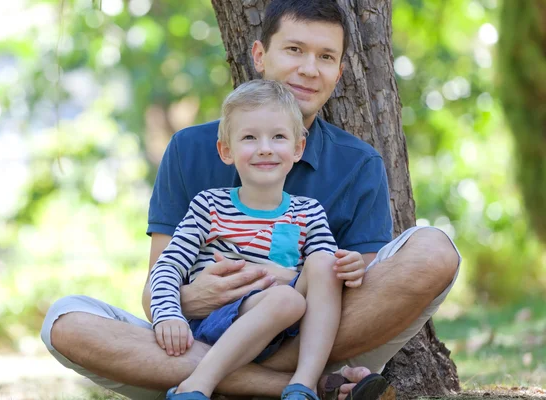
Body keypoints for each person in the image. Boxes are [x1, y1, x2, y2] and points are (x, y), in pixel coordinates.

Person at [40, 1, 461, 399]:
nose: (309, 69)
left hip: (305, 334)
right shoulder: (190, 149)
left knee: (434, 250)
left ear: (339, 71)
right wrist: (194, 298)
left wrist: (336, 272)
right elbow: (157, 288)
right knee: (65, 321)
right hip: (202, 332)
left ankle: (227, 381)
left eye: (326, 57)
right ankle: (299, 387)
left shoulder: (359, 164)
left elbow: (361, 299)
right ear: (260, 55)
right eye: (294, 50)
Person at [151, 79, 347, 400]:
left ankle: (303, 384)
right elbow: (167, 267)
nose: (265, 147)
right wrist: (169, 314)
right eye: (249, 137)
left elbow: (323, 277)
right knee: (288, 299)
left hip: (286, 329)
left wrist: (345, 267)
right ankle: (195, 385)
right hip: (219, 322)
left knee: (323, 262)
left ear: (298, 148)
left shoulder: (309, 212)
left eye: (279, 137)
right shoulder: (209, 206)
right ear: (226, 151)